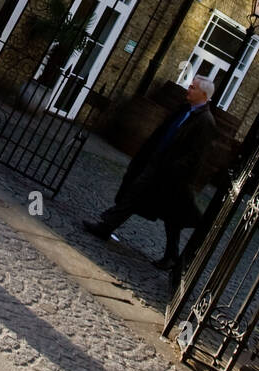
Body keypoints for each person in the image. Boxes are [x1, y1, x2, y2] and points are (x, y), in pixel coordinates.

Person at [84, 75, 219, 270]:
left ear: (204, 94)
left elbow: (196, 156)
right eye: (189, 86)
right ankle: (106, 227)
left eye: (193, 88)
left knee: (171, 218)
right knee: (133, 196)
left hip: (171, 176)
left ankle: (171, 256)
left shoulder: (206, 121)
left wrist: (173, 169)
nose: (188, 89)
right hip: (156, 164)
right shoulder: (185, 109)